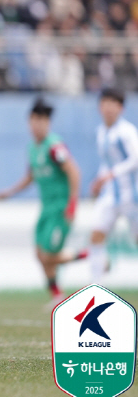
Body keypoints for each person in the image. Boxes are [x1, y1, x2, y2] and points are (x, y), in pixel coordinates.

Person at [0, 99, 85, 307]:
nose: (37, 125)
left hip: (60, 209)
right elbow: (30, 176)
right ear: (29, 122)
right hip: (46, 209)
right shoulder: (33, 149)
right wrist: (8, 193)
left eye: (42, 120)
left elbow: (74, 171)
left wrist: (72, 204)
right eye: (34, 120)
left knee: (49, 256)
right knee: (39, 254)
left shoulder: (54, 146)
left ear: (48, 123)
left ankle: (89, 254)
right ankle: (57, 296)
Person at [87, 88, 138, 283]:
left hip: (131, 195)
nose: (109, 108)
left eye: (113, 103)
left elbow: (136, 159)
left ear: (121, 108)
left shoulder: (127, 132)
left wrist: (111, 174)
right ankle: (95, 287)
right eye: (105, 103)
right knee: (96, 234)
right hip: (110, 196)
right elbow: (107, 162)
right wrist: (99, 181)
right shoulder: (101, 132)